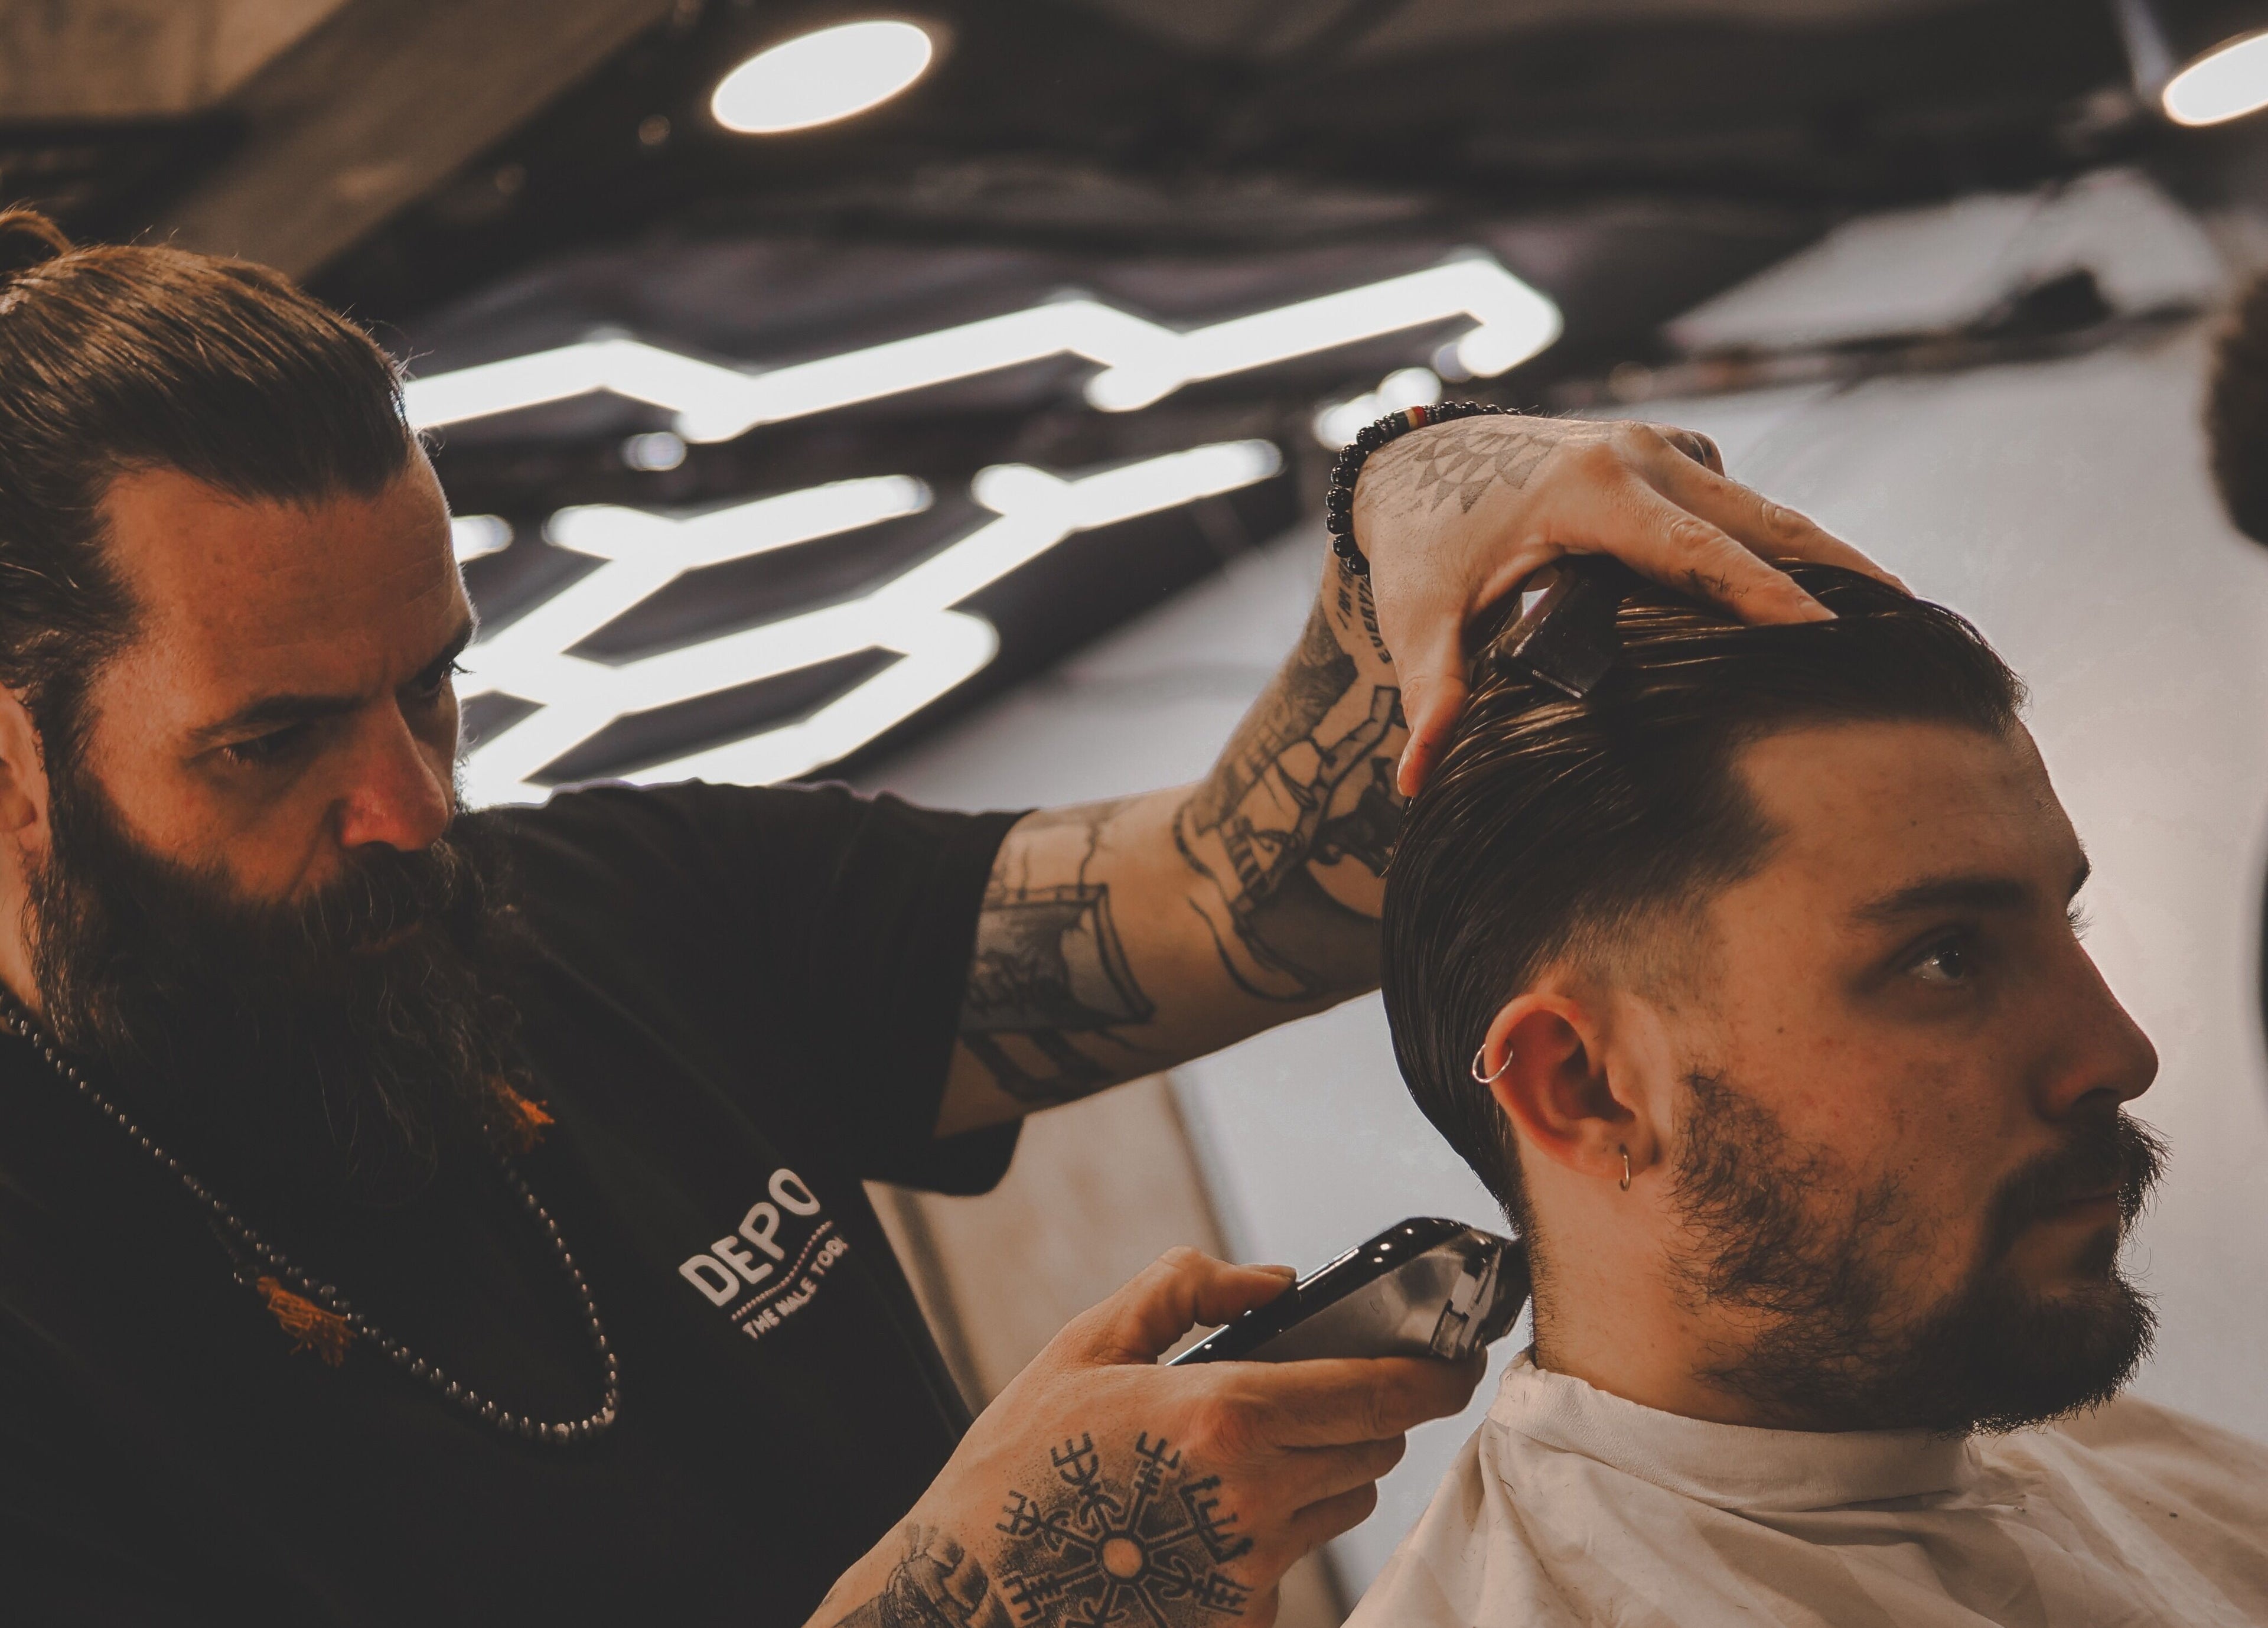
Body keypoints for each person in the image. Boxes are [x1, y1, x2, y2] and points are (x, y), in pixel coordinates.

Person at [0, 206, 1885, 1627]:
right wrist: (975, 1590)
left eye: (432, 686)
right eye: (270, 743)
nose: (410, 807)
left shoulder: (628, 912)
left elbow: (1234, 897)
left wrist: (1425, 489)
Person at [1353, 566, 2268, 1627]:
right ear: (1587, 1090)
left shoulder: (2128, 1468)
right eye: (1946, 958)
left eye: (2071, 927)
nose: (2120, 1053)